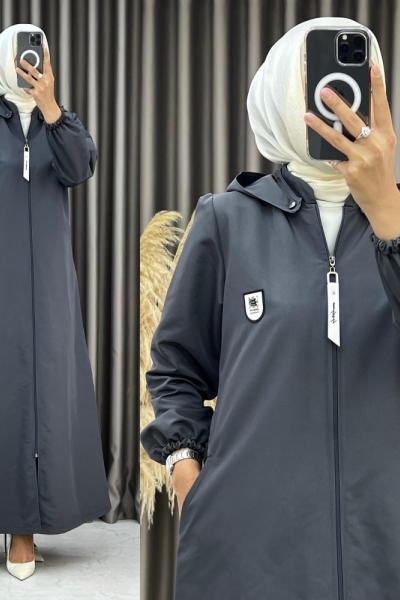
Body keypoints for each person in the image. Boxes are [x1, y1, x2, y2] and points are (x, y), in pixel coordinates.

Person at [141, 15, 400, 600]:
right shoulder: (227, 220)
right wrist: (187, 473)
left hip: (385, 544)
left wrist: (388, 217)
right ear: (282, 89)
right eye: (319, 81)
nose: (336, 101)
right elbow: (176, 368)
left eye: (353, 82)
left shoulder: (399, 224)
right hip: (249, 549)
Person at [0, 23, 111, 580]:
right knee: (8, 391)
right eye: (22, 54)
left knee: (46, 391)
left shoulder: (61, 123)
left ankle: (31, 524)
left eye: (38, 54)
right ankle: (16, 528)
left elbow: (80, 168)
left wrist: (50, 108)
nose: (30, 63)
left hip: (48, 280)